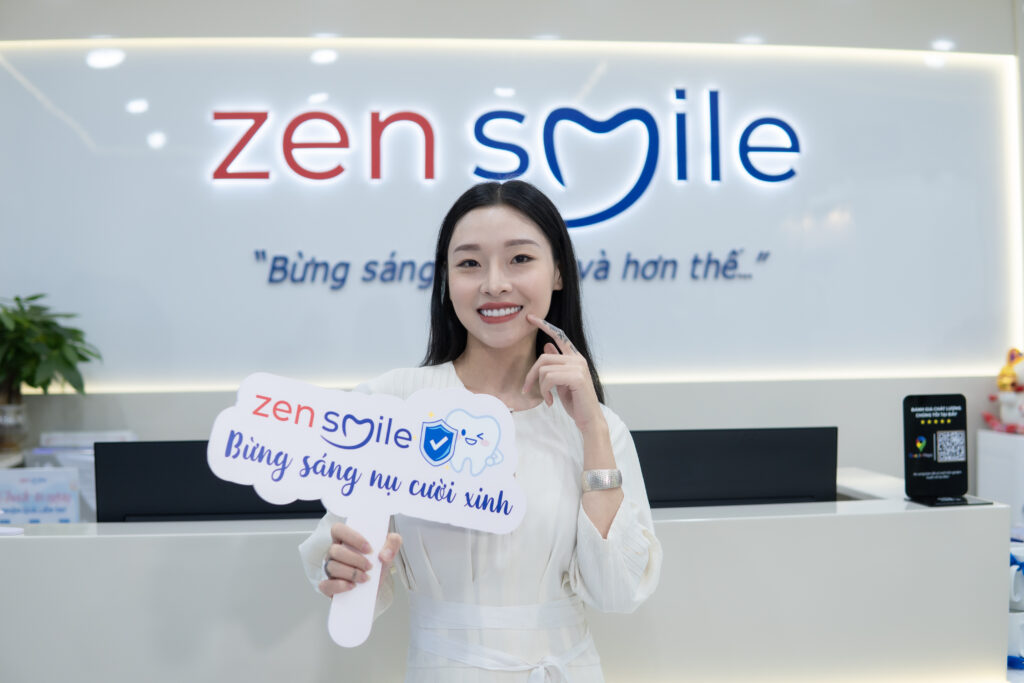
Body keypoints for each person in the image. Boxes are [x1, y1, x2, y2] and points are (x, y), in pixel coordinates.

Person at [299, 180, 662, 681]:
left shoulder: (597, 427)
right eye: (469, 263)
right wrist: (348, 569)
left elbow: (618, 591)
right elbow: (337, 554)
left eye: (519, 259)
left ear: (558, 272)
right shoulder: (394, 403)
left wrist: (593, 429)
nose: (494, 284)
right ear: (446, 280)